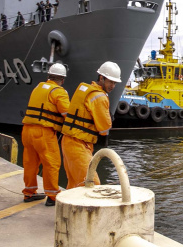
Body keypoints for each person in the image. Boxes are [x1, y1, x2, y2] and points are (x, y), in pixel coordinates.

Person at [60, 61, 121, 189]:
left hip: (69, 140)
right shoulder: (100, 97)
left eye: (115, 83)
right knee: (91, 184)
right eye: (110, 82)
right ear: (101, 78)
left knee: (74, 184)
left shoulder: (85, 89)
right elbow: (104, 129)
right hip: (78, 143)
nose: (112, 86)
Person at [21, 63, 70, 206]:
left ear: (49, 76)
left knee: (30, 163)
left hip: (27, 130)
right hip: (43, 132)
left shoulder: (38, 87)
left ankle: (29, 193)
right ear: (62, 79)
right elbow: (67, 113)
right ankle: (52, 196)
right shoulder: (59, 92)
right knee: (52, 163)